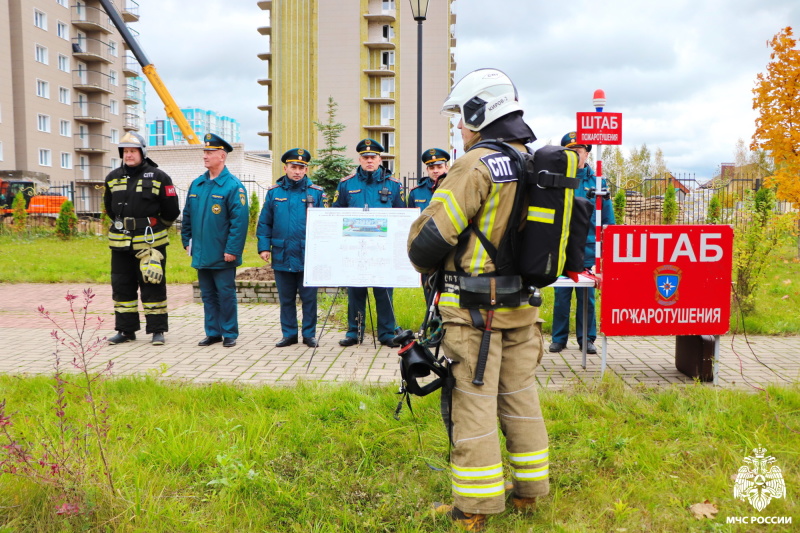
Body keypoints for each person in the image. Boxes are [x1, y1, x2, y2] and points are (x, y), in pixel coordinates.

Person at [407, 68, 548, 531]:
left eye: (461, 120)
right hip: (523, 308)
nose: (459, 131)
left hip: (474, 315)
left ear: (478, 113)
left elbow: (427, 241)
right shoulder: (533, 162)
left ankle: (475, 508)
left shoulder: (476, 164)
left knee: (473, 401)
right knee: (520, 397)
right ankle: (529, 493)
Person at [104, 132, 180, 346]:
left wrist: (155, 226)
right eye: (125, 151)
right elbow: (110, 208)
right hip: (120, 243)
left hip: (151, 243)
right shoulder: (112, 177)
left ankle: (157, 330)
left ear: (142, 152)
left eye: (132, 151)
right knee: (122, 286)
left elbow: (171, 210)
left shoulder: (159, 176)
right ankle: (126, 330)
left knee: (152, 283)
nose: (128, 155)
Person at [332, 138, 405, 347]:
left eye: (373, 157)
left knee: (384, 293)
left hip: (383, 249)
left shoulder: (393, 185)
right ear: (360, 159)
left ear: (380, 158)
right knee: (356, 292)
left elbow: (402, 215)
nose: (369, 160)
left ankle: (386, 334)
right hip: (355, 249)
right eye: (365, 157)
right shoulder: (347, 184)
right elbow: (336, 212)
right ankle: (354, 333)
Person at [549, 132, 615, 355]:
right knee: (561, 297)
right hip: (562, 248)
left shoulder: (597, 182)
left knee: (586, 298)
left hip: (587, 249)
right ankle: (558, 338)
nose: (575, 156)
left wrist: (605, 250)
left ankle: (586, 339)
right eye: (570, 152)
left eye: (579, 151)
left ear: (587, 153)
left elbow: (608, 220)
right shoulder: (557, 181)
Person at [181, 133, 249, 348]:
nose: (205, 156)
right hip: (201, 251)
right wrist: (186, 240)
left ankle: (229, 333)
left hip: (222, 253)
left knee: (225, 295)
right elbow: (188, 216)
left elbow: (239, 223)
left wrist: (232, 250)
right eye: (205, 152)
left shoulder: (233, 186)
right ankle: (213, 332)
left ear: (222, 156)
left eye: (210, 152)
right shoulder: (198, 184)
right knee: (208, 295)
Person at [257, 148, 324, 348]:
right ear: (285, 168)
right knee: (286, 299)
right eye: (293, 167)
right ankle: (289, 334)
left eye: (301, 168)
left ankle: (309, 335)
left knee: (309, 299)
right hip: (282, 253)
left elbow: (324, 225)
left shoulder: (316, 193)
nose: (297, 171)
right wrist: (263, 247)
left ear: (306, 170)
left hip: (308, 255)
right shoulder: (274, 193)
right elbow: (264, 223)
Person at [407, 147, 450, 212]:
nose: (435, 171)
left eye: (439, 167)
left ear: (446, 168)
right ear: (427, 170)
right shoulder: (416, 192)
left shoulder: (454, 188)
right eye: (432, 168)